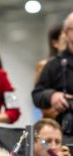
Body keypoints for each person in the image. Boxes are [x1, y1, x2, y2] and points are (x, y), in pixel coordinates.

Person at [32, 12, 73, 144]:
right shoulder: (54, 65)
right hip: (65, 135)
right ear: (66, 32)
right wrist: (52, 96)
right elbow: (37, 95)